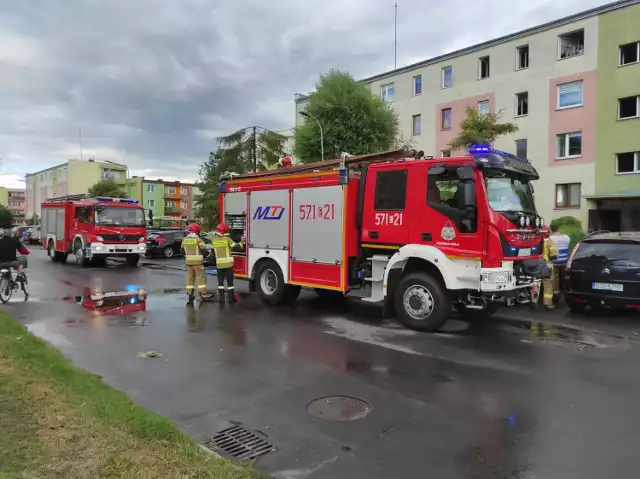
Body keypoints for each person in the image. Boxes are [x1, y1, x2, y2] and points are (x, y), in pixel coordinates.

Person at [211, 223, 243, 302]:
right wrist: (242, 242)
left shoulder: (213, 240)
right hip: (228, 265)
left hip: (219, 266)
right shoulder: (227, 239)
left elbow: (213, 252)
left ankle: (221, 298)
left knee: (220, 283)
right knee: (230, 283)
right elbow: (236, 246)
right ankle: (231, 298)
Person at [180, 223, 209, 305]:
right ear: (197, 231)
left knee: (189, 279)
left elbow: (181, 251)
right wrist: (208, 255)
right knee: (200, 278)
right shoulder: (198, 239)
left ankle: (190, 295)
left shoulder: (185, 239)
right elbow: (203, 250)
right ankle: (203, 294)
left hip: (188, 262)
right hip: (198, 263)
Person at [549, 224, 571, 300]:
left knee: (555, 279)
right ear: (559, 229)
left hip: (555, 262)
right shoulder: (567, 237)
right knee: (564, 278)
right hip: (564, 262)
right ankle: (566, 294)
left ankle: (556, 296)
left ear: (551, 230)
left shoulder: (551, 238)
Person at [541, 226, 559, 310]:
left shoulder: (534, 239)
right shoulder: (549, 241)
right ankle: (548, 304)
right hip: (546, 265)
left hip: (534, 265)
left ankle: (533, 301)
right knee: (548, 285)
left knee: (535, 284)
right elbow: (554, 254)